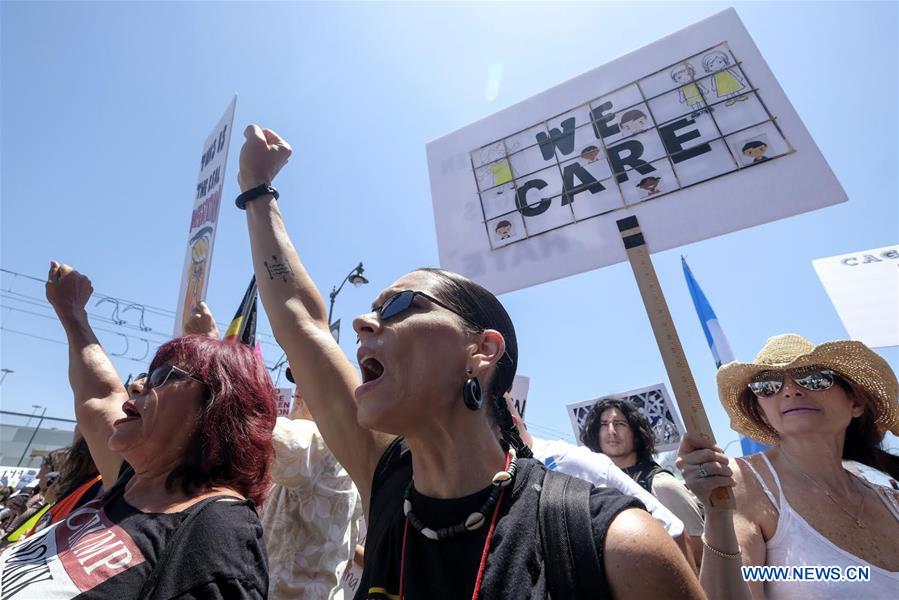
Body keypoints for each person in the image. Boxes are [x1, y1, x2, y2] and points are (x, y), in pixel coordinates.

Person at [237, 124, 703, 599]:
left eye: (400, 306)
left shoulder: (619, 544)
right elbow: (303, 324)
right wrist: (257, 189)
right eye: (372, 309)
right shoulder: (388, 483)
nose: (362, 322)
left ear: (482, 351)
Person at [0, 263, 275, 598]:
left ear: (218, 405)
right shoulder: (130, 482)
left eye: (163, 376)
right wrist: (71, 313)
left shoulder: (217, 530)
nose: (138, 385)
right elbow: (100, 395)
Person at [677, 333, 899, 599]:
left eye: (813, 378)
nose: (790, 390)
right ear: (761, 411)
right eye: (767, 385)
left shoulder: (889, 495)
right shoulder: (741, 482)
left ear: (856, 403)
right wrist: (717, 514)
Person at [580, 397, 705, 557]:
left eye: (620, 424)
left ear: (636, 434)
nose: (611, 431)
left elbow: (699, 552)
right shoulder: (592, 489)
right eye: (603, 424)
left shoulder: (661, 485)